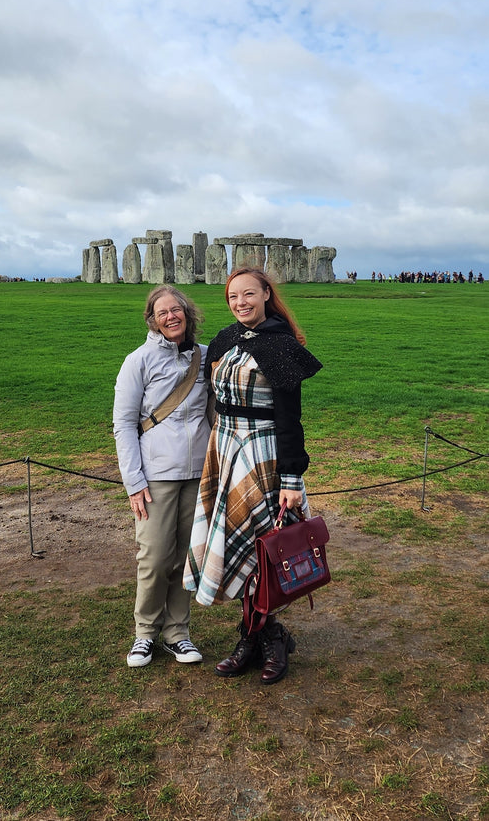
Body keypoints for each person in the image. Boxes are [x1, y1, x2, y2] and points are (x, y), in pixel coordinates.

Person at [183, 267, 322, 685]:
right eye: (232, 297)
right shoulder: (226, 339)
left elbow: (290, 418)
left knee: (264, 552)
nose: (240, 303)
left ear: (266, 294)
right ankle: (258, 635)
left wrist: (291, 479)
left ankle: (267, 637)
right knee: (240, 548)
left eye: (248, 294)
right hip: (224, 448)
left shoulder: (280, 345)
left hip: (261, 452)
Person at [113, 285, 211, 669]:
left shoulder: (203, 359)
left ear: (188, 314)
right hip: (156, 476)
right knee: (154, 558)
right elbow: (123, 424)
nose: (171, 316)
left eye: (177, 309)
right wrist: (133, 482)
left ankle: (178, 633)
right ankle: (144, 634)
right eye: (162, 312)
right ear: (151, 320)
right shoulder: (138, 360)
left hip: (198, 472)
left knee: (184, 558)